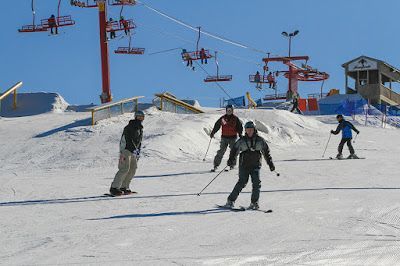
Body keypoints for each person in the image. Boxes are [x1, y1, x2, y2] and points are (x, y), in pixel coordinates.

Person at [225, 121, 275, 209]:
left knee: (256, 183)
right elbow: (234, 150)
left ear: (254, 130)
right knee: (242, 183)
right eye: (247, 130)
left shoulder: (260, 141)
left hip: (255, 165)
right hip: (244, 165)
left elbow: (266, 152)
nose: (249, 131)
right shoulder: (242, 141)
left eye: (251, 129)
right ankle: (230, 200)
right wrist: (231, 160)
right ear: (245, 130)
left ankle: (254, 203)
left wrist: (270, 164)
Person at [109, 110, 144, 196]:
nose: (140, 118)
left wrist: (138, 151)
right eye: (139, 117)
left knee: (133, 169)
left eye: (142, 117)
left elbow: (138, 141)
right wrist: (127, 149)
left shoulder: (140, 128)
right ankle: (114, 187)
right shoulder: (129, 127)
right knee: (124, 168)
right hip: (126, 150)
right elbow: (127, 139)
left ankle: (124, 187)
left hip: (134, 152)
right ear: (135, 117)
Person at [210, 104, 243, 172]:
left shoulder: (235, 119)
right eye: (228, 110)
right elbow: (217, 125)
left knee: (233, 152)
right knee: (221, 151)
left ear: (232, 111)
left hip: (233, 138)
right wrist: (213, 132)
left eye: (230, 110)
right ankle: (216, 165)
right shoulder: (223, 118)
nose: (229, 111)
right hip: (224, 137)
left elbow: (239, 127)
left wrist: (240, 133)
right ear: (226, 110)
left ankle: (232, 165)